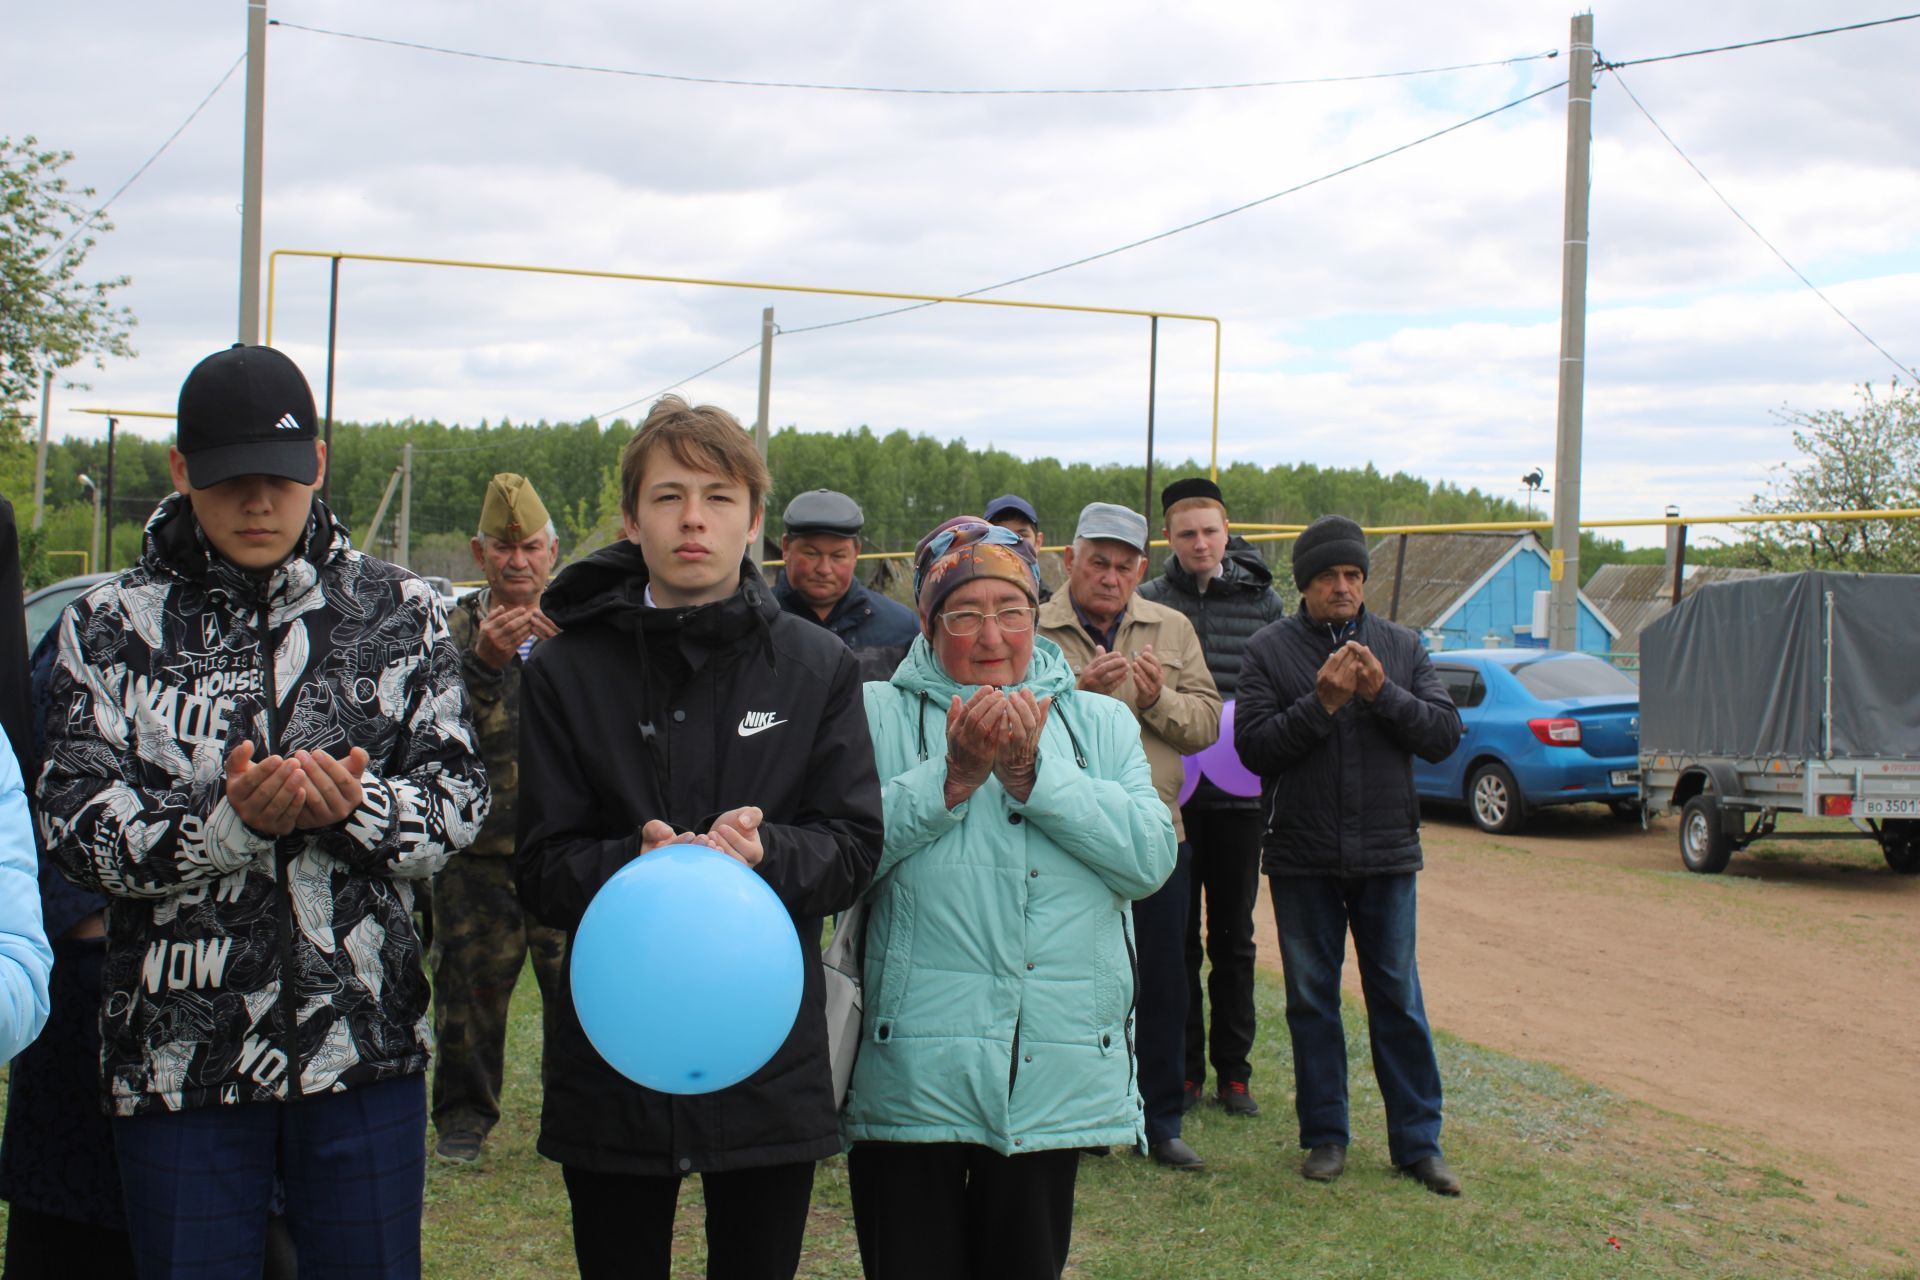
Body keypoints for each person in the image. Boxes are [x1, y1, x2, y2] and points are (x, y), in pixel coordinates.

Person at [36, 343, 489, 1276]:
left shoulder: (399, 608)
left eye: (278, 480)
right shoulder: (112, 623)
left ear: (317, 464)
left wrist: (351, 806)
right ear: (179, 471)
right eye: (229, 480)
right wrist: (226, 824)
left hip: (364, 1054)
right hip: (176, 1064)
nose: (257, 503)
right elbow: (74, 825)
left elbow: (459, 804)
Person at [514, 396, 884, 1280]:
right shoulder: (567, 669)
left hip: (766, 1053)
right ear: (630, 519)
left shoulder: (814, 666)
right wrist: (633, 867)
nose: (693, 519)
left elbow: (852, 845)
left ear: (755, 520)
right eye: (669, 496)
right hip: (612, 1052)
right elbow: (540, 866)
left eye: (719, 498)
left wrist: (765, 856)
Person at [844, 516, 1175, 1280]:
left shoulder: (1097, 723)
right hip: (909, 1070)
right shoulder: (875, 714)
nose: (992, 635)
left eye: (1012, 611)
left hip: (1047, 1072)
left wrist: (1034, 779)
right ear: (927, 625)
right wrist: (951, 780)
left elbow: (1149, 859)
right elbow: (842, 858)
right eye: (964, 613)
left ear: (1038, 615)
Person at [1234, 514, 1464, 1196]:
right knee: (1312, 1000)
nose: (1344, 587)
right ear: (1304, 583)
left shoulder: (1401, 644)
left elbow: (1443, 734)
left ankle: (1418, 1144)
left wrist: (1381, 692)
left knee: (1397, 997)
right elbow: (1254, 749)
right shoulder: (1269, 651)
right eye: (1331, 576)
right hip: (1302, 855)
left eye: (1355, 576)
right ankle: (1326, 1137)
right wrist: (1323, 702)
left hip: (1388, 853)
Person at [1035, 502, 1220, 1171]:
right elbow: (1011, 725)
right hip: (1064, 838)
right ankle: (1077, 1116)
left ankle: (1158, 1119)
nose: (1109, 577)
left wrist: (1153, 701)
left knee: (1163, 980)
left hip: (1154, 835)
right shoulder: (1031, 629)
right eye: (1097, 563)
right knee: (1069, 979)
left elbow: (1205, 725)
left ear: (1142, 569)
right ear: (1069, 560)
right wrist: (1073, 694)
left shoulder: (1171, 628)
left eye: (1123, 566)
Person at [1135, 477, 1286, 1118]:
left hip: (1238, 799)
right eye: (1187, 532)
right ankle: (1184, 1071)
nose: (1200, 542)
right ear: (1169, 537)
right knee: (1174, 942)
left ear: (1227, 534)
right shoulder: (1147, 601)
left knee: (1233, 938)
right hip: (1168, 797)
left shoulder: (1263, 602)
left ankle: (1235, 1072)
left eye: (1210, 531)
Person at [429, 473, 566, 1164]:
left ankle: (578, 1116)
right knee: (468, 995)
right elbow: (428, 732)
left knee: (581, 994)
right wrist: (481, 664)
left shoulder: (578, 629)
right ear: (479, 557)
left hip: (562, 846)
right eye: (503, 552)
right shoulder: (445, 631)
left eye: (532, 549)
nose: (519, 563)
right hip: (476, 853)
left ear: (553, 552)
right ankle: (463, 1118)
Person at [773, 488, 920, 680]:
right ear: (786, 548)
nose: (824, 569)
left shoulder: (901, 629)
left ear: (856, 552)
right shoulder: (753, 621)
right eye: (811, 554)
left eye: (838, 556)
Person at [984, 493, 1051, 602]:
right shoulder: (967, 601)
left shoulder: (1052, 607)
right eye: (1001, 534)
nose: (1011, 543)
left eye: (1022, 535)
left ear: (1038, 542)